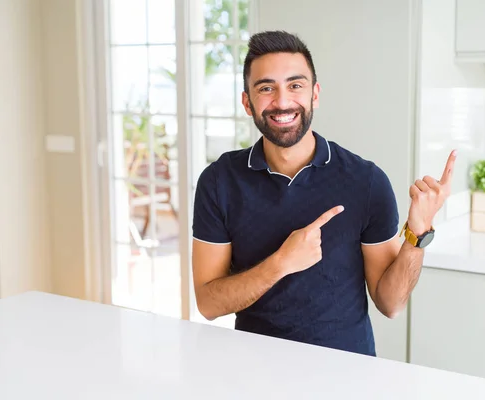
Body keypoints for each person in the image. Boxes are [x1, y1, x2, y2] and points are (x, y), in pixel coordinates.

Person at [192, 30, 456, 357]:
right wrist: (280, 263)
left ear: (315, 94)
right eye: (266, 88)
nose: (283, 101)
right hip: (254, 371)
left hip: (346, 374)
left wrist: (418, 233)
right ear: (247, 102)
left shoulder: (366, 181)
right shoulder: (219, 181)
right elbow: (208, 303)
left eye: (295, 85)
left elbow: (391, 304)